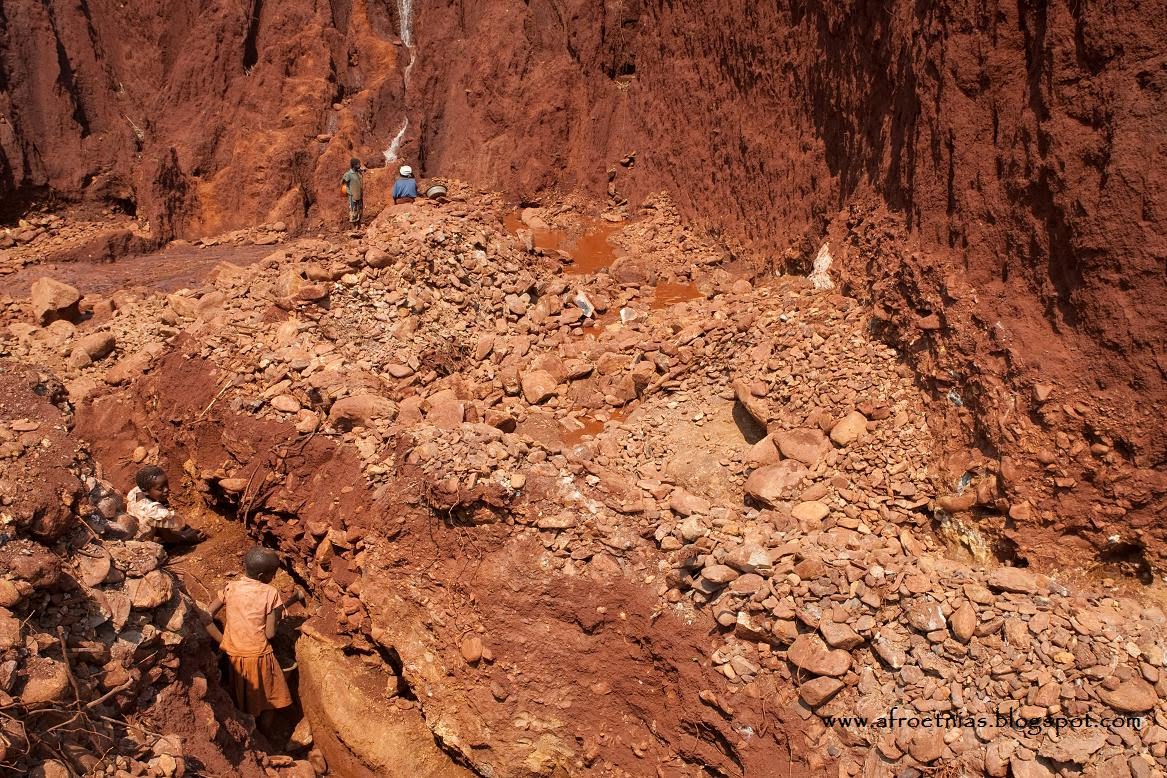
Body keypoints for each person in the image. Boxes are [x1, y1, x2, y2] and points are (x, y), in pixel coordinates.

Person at [201, 546, 305, 728]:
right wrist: (276, 618)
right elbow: (270, 634)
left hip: (233, 657)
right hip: (259, 657)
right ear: (262, 576)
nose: (274, 577)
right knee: (269, 700)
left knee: (244, 699)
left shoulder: (230, 588)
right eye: (273, 574)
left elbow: (206, 616)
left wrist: (224, 642)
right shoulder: (270, 593)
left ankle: (252, 730)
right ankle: (266, 734)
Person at [126, 466, 207, 545]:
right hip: (144, 542)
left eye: (166, 484)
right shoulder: (156, 511)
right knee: (180, 523)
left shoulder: (136, 492)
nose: (166, 489)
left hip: (138, 526)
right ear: (145, 491)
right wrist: (187, 537)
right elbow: (169, 538)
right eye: (160, 488)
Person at [341, 158, 364, 225]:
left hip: (359, 195)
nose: (360, 165)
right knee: (353, 211)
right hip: (353, 197)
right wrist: (349, 192)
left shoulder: (358, 172)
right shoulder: (348, 174)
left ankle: (358, 226)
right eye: (358, 164)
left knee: (359, 210)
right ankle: (353, 227)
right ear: (354, 165)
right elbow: (343, 183)